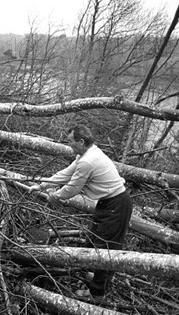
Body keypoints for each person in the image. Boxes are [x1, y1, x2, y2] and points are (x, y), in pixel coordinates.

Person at [29, 124, 133, 297]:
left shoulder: (87, 160)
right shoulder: (84, 155)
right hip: (107, 203)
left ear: (81, 141)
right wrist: (41, 185)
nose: (68, 144)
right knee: (94, 241)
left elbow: (73, 188)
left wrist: (56, 196)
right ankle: (96, 277)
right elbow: (65, 174)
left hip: (117, 205)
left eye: (71, 141)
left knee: (106, 249)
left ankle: (97, 294)